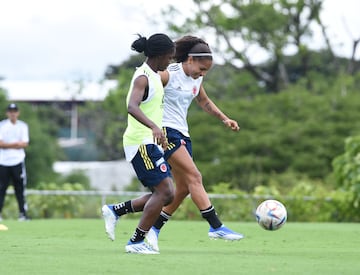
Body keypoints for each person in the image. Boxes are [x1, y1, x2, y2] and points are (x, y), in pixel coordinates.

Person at [146, 35, 244, 251]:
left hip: (183, 134)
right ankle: (215, 226)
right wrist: (147, 121)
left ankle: (153, 229)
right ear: (189, 59)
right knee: (195, 176)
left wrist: (224, 119)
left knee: (182, 189)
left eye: (206, 71)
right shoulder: (168, 75)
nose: (203, 74)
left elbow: (204, 101)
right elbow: (144, 85)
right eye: (201, 69)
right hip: (166, 132)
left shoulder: (196, 79)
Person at [101, 33, 175, 254]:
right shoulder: (142, 77)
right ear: (159, 55)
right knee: (164, 191)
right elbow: (132, 107)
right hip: (140, 142)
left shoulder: (155, 75)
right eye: (169, 57)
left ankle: (116, 210)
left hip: (150, 142)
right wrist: (153, 127)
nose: (170, 61)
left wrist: (160, 132)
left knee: (168, 194)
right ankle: (135, 242)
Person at [0, 103, 30, 221]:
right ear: (7, 113)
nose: (13, 113)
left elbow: (24, 143)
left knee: (20, 188)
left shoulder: (22, 126)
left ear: (18, 113)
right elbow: (0, 144)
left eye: (15, 111)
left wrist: (8, 145)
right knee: (1, 189)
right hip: (3, 162)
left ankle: (22, 213)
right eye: (10, 111)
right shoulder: (2, 125)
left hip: (18, 161)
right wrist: (15, 144)